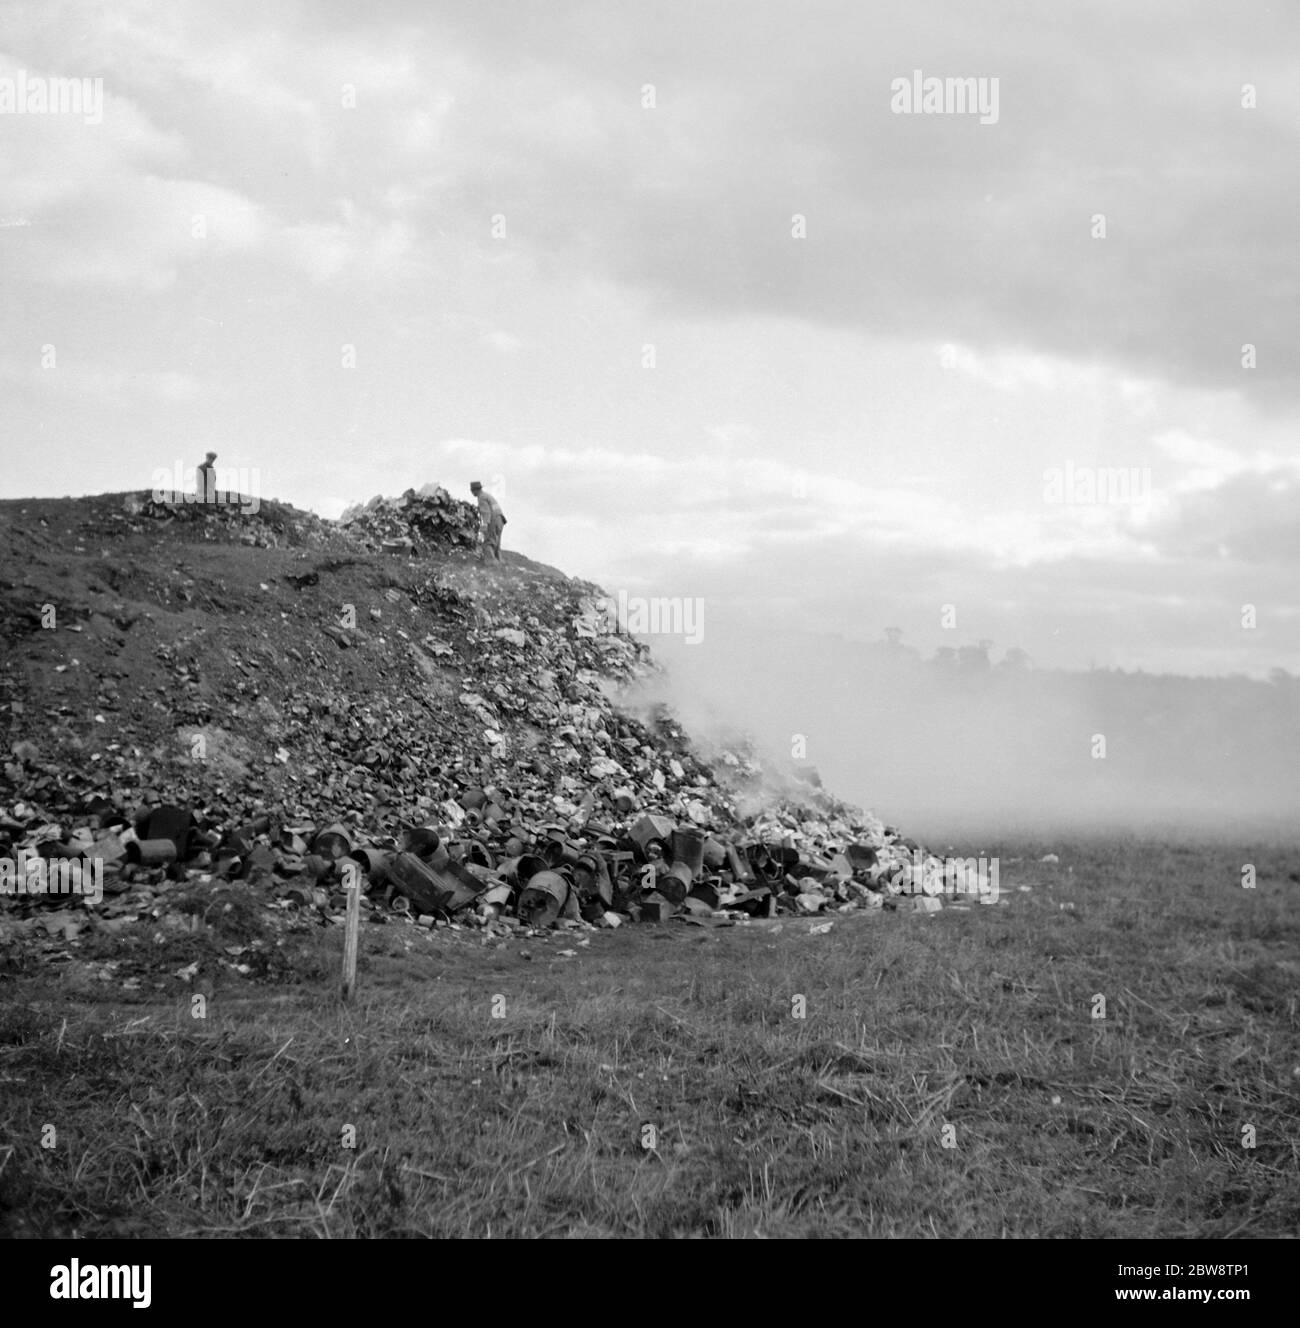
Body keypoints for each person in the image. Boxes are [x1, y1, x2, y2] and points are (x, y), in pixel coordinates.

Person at [470, 480, 506, 561]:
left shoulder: (481, 498)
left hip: (493, 520)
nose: (472, 493)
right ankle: (500, 564)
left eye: (472, 491)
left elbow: (486, 513)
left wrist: (483, 529)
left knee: (488, 542)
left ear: (475, 490)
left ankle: (491, 564)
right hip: (500, 520)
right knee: (496, 544)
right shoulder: (487, 495)